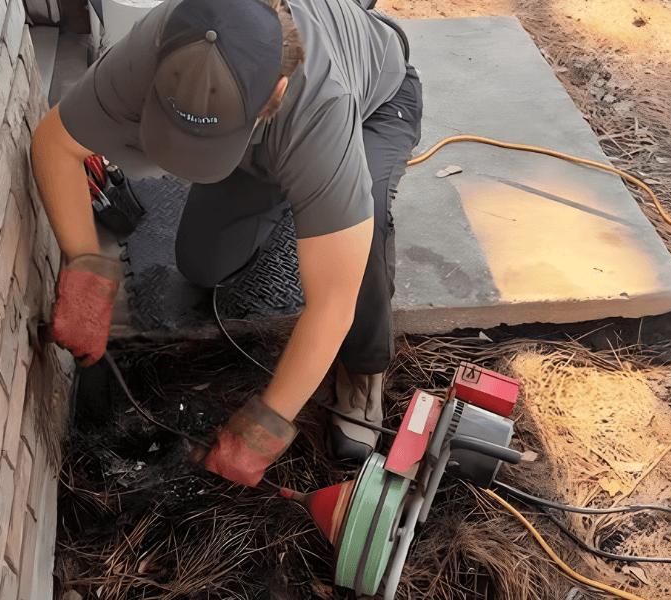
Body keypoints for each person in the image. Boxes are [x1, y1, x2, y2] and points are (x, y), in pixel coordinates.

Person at [30, 0, 421, 485]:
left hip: (375, 109)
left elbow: (332, 305)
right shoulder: (169, 37)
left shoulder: (324, 103)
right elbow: (55, 143)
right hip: (265, 144)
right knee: (202, 264)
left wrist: (265, 427)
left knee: (362, 247)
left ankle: (364, 371)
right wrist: (86, 267)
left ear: (275, 93)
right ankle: (304, 196)